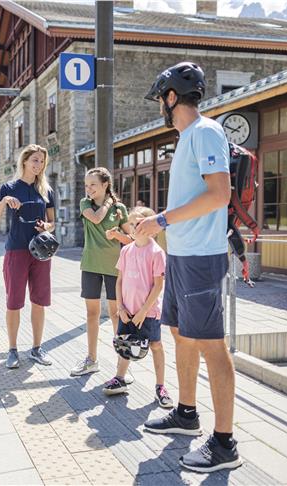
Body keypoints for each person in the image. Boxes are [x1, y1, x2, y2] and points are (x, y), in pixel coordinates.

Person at [136, 62, 242, 473]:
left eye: (162, 99)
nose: (161, 107)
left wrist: (161, 220)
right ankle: (186, 414)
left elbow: (219, 194)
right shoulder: (185, 138)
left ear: (172, 97)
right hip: (182, 255)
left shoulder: (205, 131)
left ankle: (224, 444)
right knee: (182, 335)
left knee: (212, 344)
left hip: (201, 257)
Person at [0, 144, 56, 369]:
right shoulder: (9, 187)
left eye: (42, 162)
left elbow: (52, 222)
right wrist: (5, 200)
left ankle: (36, 349)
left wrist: (47, 226)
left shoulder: (46, 190)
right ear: (24, 161)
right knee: (14, 302)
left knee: (39, 302)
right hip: (16, 251)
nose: (38, 165)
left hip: (41, 252)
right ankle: (13, 350)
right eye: (35, 160)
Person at [102, 206, 172, 409]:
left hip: (147, 312)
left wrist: (143, 312)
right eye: (131, 223)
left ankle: (160, 386)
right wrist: (121, 308)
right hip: (127, 311)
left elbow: (158, 285)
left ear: (152, 228)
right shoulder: (125, 250)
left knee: (156, 346)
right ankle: (120, 378)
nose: (133, 227)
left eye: (138, 223)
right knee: (124, 344)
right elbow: (119, 281)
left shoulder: (157, 253)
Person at [69, 168, 129, 379]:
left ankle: (122, 364)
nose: (88, 189)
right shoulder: (86, 204)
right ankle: (91, 360)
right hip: (91, 265)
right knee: (92, 314)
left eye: (93, 184)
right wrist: (107, 204)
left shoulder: (120, 208)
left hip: (115, 268)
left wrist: (118, 234)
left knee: (115, 316)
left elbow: (130, 238)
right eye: (86, 185)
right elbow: (95, 219)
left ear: (105, 184)